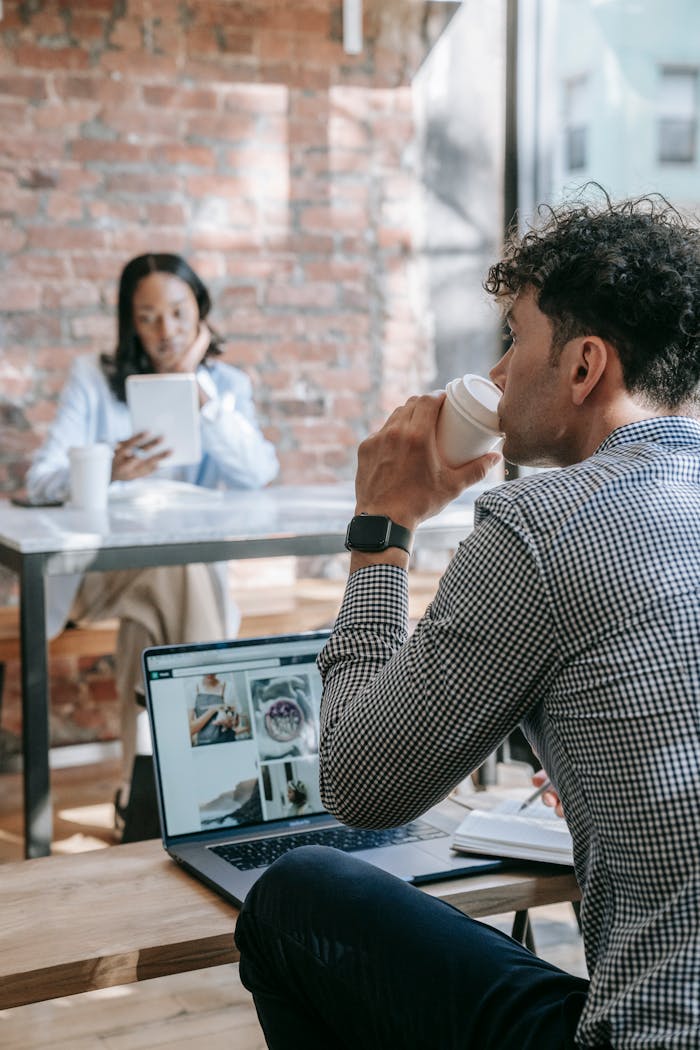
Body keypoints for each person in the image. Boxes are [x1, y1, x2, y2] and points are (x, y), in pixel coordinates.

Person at [234, 193, 700, 1049]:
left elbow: (362, 786)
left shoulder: (544, 524)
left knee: (296, 897)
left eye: (515, 338)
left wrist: (383, 531)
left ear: (583, 365)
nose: (499, 369)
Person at [25, 253, 279, 833]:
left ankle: (136, 792)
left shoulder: (225, 386)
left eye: (177, 313)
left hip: (172, 582)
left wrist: (201, 393)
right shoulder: (95, 379)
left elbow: (259, 471)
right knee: (179, 571)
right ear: (129, 322)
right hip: (96, 574)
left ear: (201, 315)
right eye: (148, 317)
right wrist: (107, 469)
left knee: (168, 585)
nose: (165, 331)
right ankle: (220, 783)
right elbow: (39, 480)